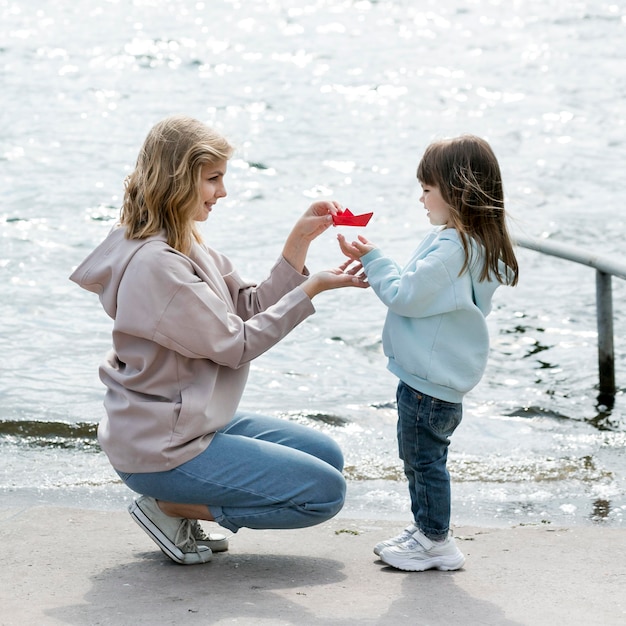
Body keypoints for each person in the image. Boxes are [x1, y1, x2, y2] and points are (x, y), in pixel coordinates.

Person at [70, 115, 368, 565]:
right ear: (178, 179)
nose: (222, 192)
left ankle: (179, 505)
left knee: (326, 455)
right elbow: (237, 345)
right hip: (163, 444)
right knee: (324, 494)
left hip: (185, 417)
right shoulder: (158, 266)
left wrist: (299, 241)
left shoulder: (183, 241)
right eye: (213, 179)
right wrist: (312, 290)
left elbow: (247, 307)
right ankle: (170, 507)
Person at [338, 135, 519, 572]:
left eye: (427, 189)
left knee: (422, 461)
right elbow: (425, 293)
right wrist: (376, 261)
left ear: (456, 190)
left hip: (426, 384)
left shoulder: (451, 246)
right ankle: (426, 529)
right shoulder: (475, 243)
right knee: (424, 459)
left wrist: (374, 257)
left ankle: (436, 540)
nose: (420, 198)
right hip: (441, 381)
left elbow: (405, 296)